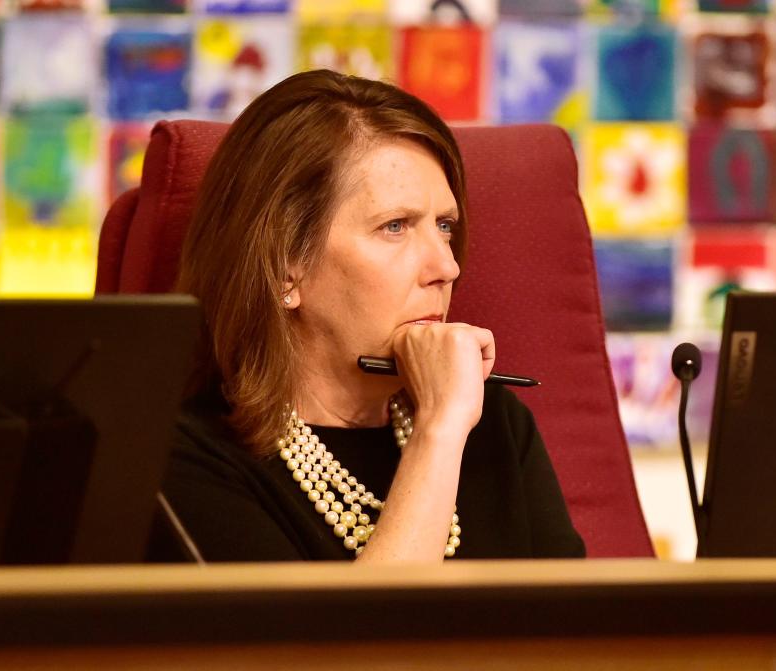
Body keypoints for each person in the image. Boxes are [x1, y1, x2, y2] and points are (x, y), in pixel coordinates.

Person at [161, 69, 585, 562]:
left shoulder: (495, 425)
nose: (447, 267)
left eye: (445, 226)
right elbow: (361, 638)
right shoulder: (181, 457)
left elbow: (579, 635)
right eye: (395, 227)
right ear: (284, 271)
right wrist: (438, 431)